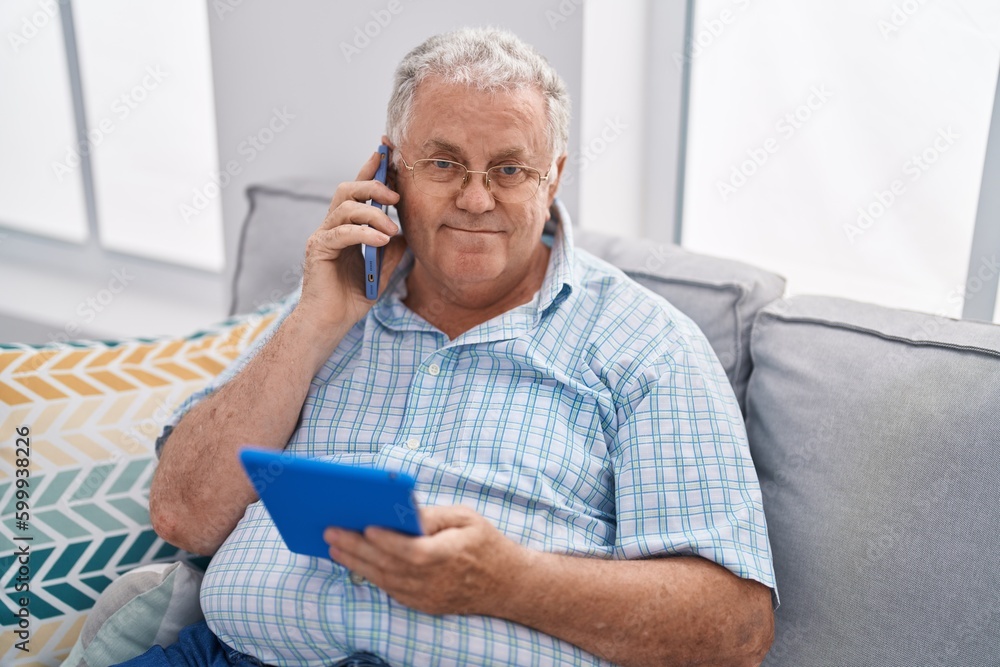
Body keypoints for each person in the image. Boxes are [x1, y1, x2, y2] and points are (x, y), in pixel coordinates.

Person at [141, 27, 776, 667]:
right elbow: (181, 516)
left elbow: (736, 633)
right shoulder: (325, 302)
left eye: (508, 169)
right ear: (391, 169)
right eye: (444, 163)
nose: (475, 200)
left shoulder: (650, 345)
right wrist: (313, 323)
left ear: (552, 178)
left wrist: (509, 580)